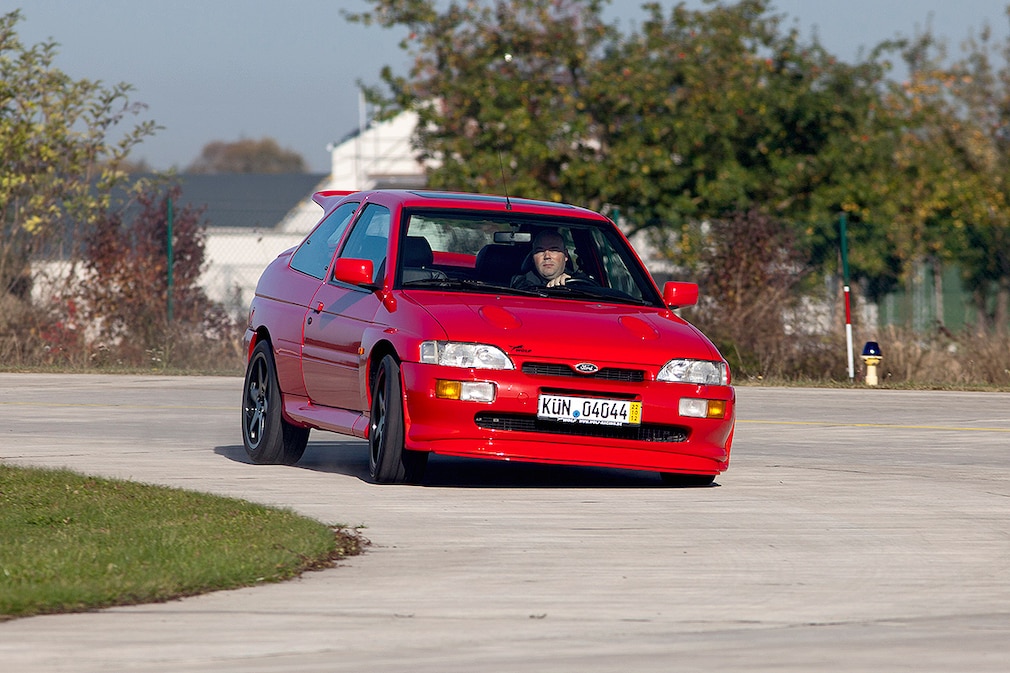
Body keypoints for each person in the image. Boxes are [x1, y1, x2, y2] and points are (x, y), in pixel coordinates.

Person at [510, 230, 592, 290]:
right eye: (540, 251)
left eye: (553, 250)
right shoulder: (520, 283)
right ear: (533, 257)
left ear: (566, 255)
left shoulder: (580, 281)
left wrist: (572, 285)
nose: (547, 256)